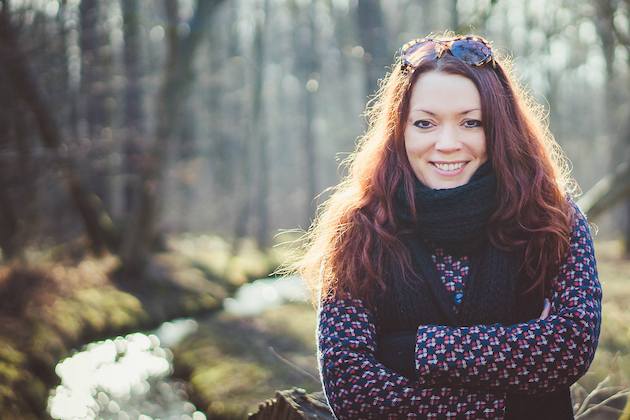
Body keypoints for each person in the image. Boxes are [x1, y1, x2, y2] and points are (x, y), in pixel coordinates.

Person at [294, 33, 601, 419]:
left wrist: (413, 351)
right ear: (398, 130)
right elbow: (353, 392)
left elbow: (568, 347)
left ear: (500, 129)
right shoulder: (358, 230)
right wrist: (510, 404)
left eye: (471, 122)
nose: (448, 143)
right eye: (425, 123)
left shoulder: (552, 218)